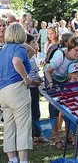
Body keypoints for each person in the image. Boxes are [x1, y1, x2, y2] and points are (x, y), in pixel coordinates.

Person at [45, 37, 78, 149]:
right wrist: (50, 83)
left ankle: (68, 136)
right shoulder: (60, 55)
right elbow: (47, 71)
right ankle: (57, 139)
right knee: (54, 110)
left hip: (64, 79)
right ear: (69, 49)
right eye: (76, 50)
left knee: (68, 107)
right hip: (52, 78)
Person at [0, 22, 33, 163]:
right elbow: (16, 61)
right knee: (23, 125)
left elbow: (29, 51)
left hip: (3, 91)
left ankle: (12, 159)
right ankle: (23, 160)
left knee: (8, 127)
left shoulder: (2, 50)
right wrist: (26, 77)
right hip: (17, 89)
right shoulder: (19, 49)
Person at [26, 33, 48, 145]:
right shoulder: (23, 58)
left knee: (36, 113)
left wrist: (40, 79)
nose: (35, 44)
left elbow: (34, 73)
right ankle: (29, 137)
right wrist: (35, 82)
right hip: (27, 89)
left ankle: (37, 135)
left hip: (34, 89)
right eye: (33, 42)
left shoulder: (33, 58)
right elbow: (26, 77)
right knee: (28, 114)